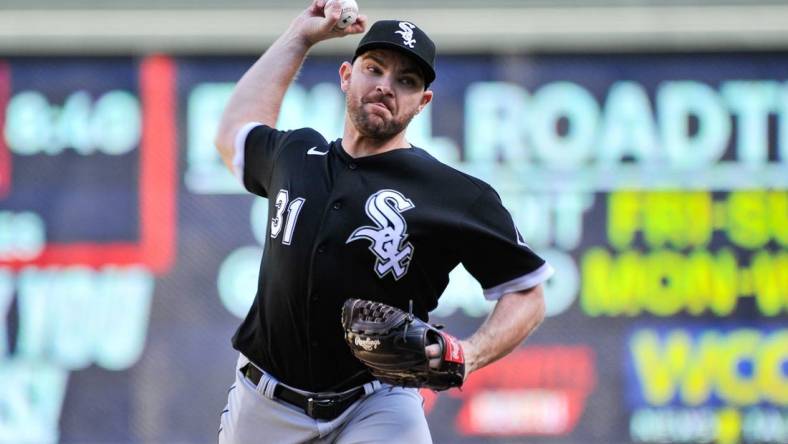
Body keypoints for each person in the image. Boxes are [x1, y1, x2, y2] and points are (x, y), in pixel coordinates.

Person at [214, 1, 553, 442]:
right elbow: (233, 133)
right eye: (373, 69)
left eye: (406, 81)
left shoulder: (452, 193)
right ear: (345, 76)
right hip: (265, 403)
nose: (385, 86)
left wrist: (468, 354)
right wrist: (300, 36)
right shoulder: (296, 155)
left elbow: (527, 292)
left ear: (422, 102)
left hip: (378, 402)